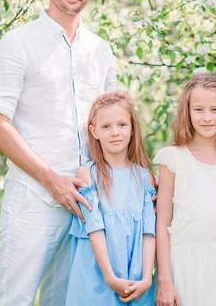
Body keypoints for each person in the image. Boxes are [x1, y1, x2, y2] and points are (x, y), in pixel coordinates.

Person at [0, 0, 116, 305]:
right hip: (34, 199)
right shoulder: (18, 44)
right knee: (16, 300)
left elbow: (114, 125)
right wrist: (50, 179)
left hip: (87, 202)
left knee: (68, 301)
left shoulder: (100, 51)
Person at [155, 73, 216, 306]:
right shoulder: (173, 159)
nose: (207, 117)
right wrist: (165, 280)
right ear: (187, 111)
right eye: (198, 109)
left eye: (215, 110)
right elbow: (162, 223)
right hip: (183, 267)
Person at [65, 92, 156, 305]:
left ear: (132, 128)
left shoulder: (144, 177)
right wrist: (109, 276)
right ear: (93, 131)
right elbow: (94, 227)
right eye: (106, 126)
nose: (115, 132)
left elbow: (149, 231)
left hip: (135, 276)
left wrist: (146, 278)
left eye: (122, 125)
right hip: (97, 272)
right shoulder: (87, 173)